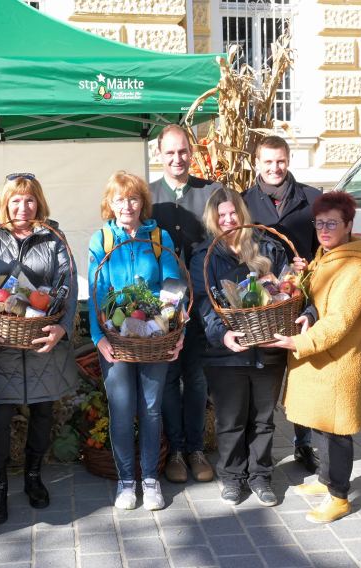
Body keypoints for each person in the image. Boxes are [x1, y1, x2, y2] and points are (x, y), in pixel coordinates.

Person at [0, 173, 78, 524]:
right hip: (1, 343)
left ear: (39, 202)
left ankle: (33, 476)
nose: (22, 207)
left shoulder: (54, 237)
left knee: (43, 414)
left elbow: (68, 284)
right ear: (4, 203)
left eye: (29, 200)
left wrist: (62, 327)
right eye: (15, 200)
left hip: (43, 344)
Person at [267, 192, 361, 523]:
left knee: (336, 433)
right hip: (320, 361)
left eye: (333, 222)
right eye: (320, 222)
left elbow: (341, 321)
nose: (325, 229)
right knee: (320, 426)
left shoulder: (356, 269)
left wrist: (298, 341)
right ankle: (325, 481)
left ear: (348, 225)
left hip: (337, 362)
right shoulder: (325, 257)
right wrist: (307, 308)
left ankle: (339, 496)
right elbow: (320, 304)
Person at [190, 187, 302, 507]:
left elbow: (286, 289)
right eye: (221, 215)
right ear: (213, 220)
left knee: (264, 417)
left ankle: (261, 475)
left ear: (243, 213)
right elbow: (203, 302)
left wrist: (296, 279)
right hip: (225, 352)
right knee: (231, 419)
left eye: (233, 213)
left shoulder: (268, 246)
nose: (228, 220)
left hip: (268, 345)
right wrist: (221, 335)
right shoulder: (205, 256)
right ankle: (232, 476)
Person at [88, 171, 184, 511]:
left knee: (151, 410)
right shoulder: (102, 239)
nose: (126, 205)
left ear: (142, 201)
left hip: (154, 337)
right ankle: (126, 482)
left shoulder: (158, 236)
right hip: (114, 340)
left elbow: (173, 284)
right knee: (122, 409)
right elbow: (97, 291)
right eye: (119, 199)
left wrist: (174, 329)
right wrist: (99, 337)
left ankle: (151, 480)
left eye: (133, 198)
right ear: (109, 204)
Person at [241, 135, 323, 474]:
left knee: (303, 373)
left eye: (280, 161)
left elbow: (326, 247)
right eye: (268, 162)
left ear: (288, 160)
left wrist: (311, 267)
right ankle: (260, 446)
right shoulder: (244, 201)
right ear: (256, 163)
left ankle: (304, 442)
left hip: (305, 300)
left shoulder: (312, 198)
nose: (275, 168)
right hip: (262, 305)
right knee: (267, 376)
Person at [148, 124, 218, 484]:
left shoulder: (212, 193)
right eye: (170, 152)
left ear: (192, 152)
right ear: (158, 154)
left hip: (202, 302)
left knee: (195, 377)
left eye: (183, 151)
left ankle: (195, 448)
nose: (177, 158)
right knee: (169, 377)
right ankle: (174, 449)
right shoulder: (147, 196)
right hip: (162, 306)